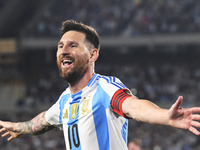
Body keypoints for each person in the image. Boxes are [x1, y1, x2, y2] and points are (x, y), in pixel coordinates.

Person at [1, 20, 200, 150]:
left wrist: (164, 116)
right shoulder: (64, 101)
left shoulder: (105, 87)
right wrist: (19, 127)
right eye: (60, 46)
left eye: (73, 45)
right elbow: (44, 120)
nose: (63, 50)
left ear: (93, 54)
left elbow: (134, 106)